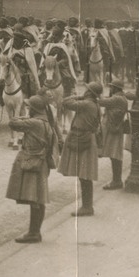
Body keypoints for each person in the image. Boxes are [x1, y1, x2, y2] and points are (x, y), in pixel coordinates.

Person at [6, 95, 56, 243]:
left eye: (29, 107)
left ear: (33, 109)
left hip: (33, 162)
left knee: (35, 199)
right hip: (41, 162)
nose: (27, 109)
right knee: (38, 199)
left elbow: (12, 123)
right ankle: (35, 232)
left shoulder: (35, 122)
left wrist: (24, 116)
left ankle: (33, 233)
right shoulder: (45, 121)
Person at [58, 81, 102, 216]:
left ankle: (87, 207)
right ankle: (87, 206)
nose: (85, 91)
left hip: (83, 139)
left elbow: (65, 102)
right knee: (84, 174)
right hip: (86, 139)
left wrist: (76, 96)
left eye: (87, 90)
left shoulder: (87, 104)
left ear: (90, 92)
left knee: (85, 175)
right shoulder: (93, 104)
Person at [98, 80, 128, 189]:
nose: (111, 89)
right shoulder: (122, 98)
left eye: (112, 87)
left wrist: (96, 94)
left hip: (113, 130)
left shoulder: (117, 98)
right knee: (115, 155)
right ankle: (117, 180)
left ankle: (117, 181)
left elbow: (101, 102)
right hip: (117, 128)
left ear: (115, 88)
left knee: (115, 155)